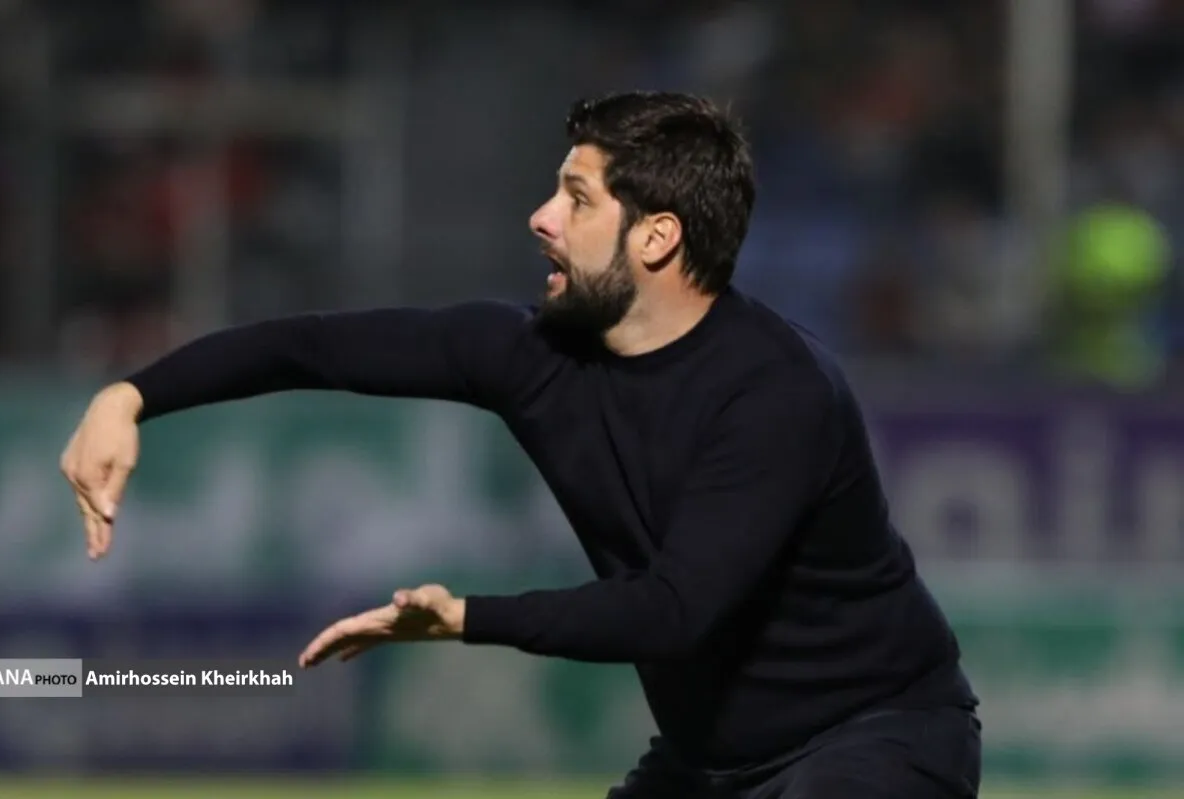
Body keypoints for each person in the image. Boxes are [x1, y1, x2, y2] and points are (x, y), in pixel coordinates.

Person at [60, 91, 981, 798]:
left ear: (657, 236)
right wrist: (129, 396)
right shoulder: (532, 355)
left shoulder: (776, 393)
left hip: (878, 738)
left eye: (576, 198)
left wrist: (465, 616)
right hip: (708, 763)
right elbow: (312, 347)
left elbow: (672, 612)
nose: (542, 217)